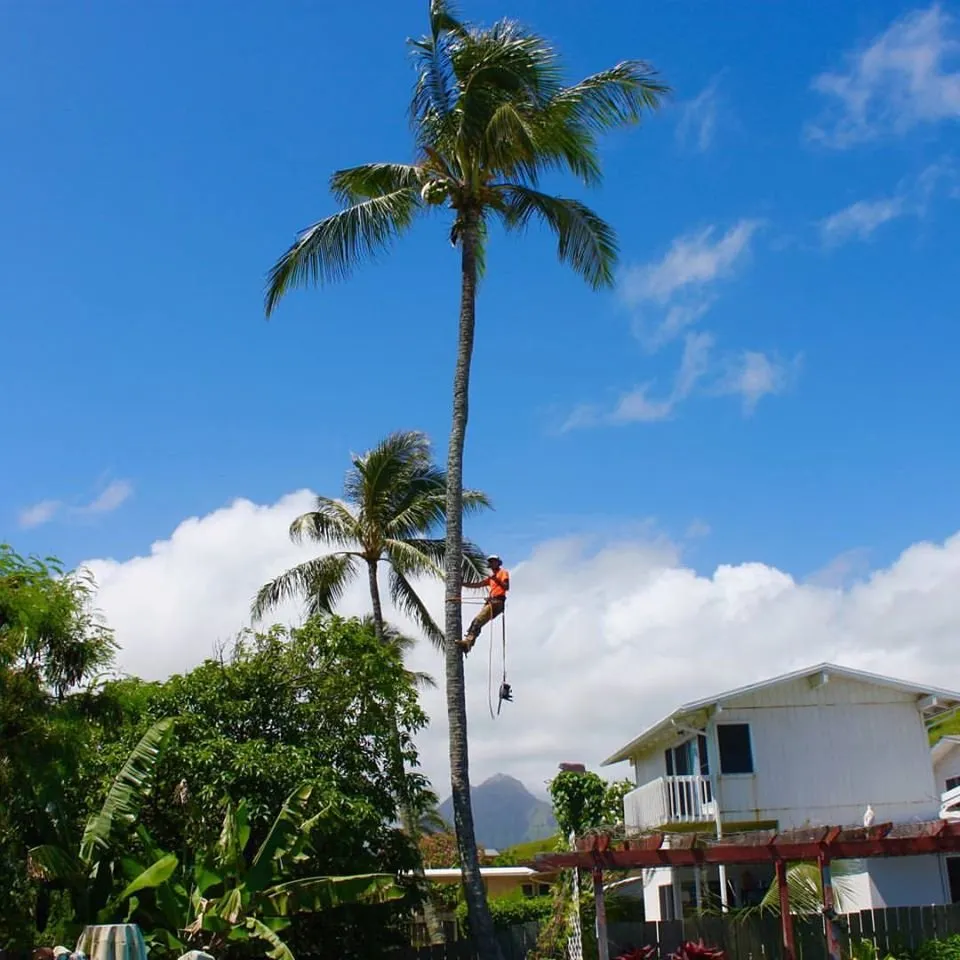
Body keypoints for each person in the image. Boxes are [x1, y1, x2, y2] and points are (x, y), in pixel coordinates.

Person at [458, 555, 509, 653]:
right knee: (477, 622)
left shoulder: (503, 573)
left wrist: (496, 579)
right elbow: (478, 585)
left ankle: (468, 642)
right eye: (491, 562)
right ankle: (468, 644)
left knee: (478, 620)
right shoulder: (491, 578)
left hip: (497, 602)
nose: (492, 563)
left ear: (498, 563)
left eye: (494, 561)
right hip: (492, 602)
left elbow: (506, 587)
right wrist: (463, 584)